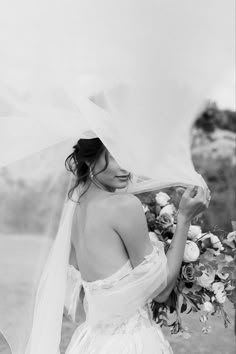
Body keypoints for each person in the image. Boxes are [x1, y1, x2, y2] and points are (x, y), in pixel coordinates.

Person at [63, 137, 210, 353]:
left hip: (92, 342)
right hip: (128, 343)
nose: (125, 166)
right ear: (88, 160)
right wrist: (185, 219)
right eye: (114, 156)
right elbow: (160, 290)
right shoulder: (122, 205)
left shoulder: (74, 208)